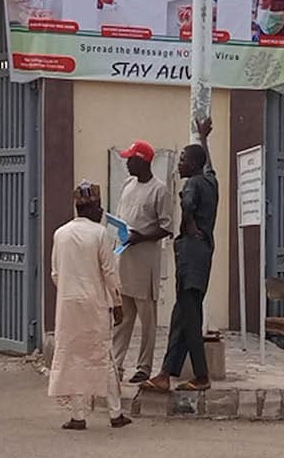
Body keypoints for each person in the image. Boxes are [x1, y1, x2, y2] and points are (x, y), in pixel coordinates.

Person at [142, 118, 217, 393]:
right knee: (181, 316)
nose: (179, 163)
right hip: (204, 255)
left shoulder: (193, 185)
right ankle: (165, 373)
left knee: (189, 317)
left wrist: (189, 224)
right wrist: (203, 138)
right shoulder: (210, 181)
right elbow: (209, 164)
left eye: (183, 159)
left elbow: (187, 203)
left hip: (190, 256)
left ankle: (201, 376)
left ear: (193, 165)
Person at [48, 181, 131, 430]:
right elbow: (109, 272)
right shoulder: (100, 234)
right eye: (99, 207)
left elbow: (55, 273)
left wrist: (68, 290)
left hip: (67, 305)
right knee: (102, 356)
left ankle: (78, 416)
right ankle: (116, 414)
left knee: (72, 356)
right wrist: (117, 302)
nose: (101, 211)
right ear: (93, 208)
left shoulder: (60, 233)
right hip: (94, 304)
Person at [111, 139, 174, 384]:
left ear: (143, 161)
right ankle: (116, 364)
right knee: (123, 316)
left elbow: (166, 228)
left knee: (147, 319)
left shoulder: (160, 190)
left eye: (131, 159)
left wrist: (141, 237)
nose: (126, 163)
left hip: (145, 261)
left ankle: (144, 367)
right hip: (124, 258)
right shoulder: (128, 184)